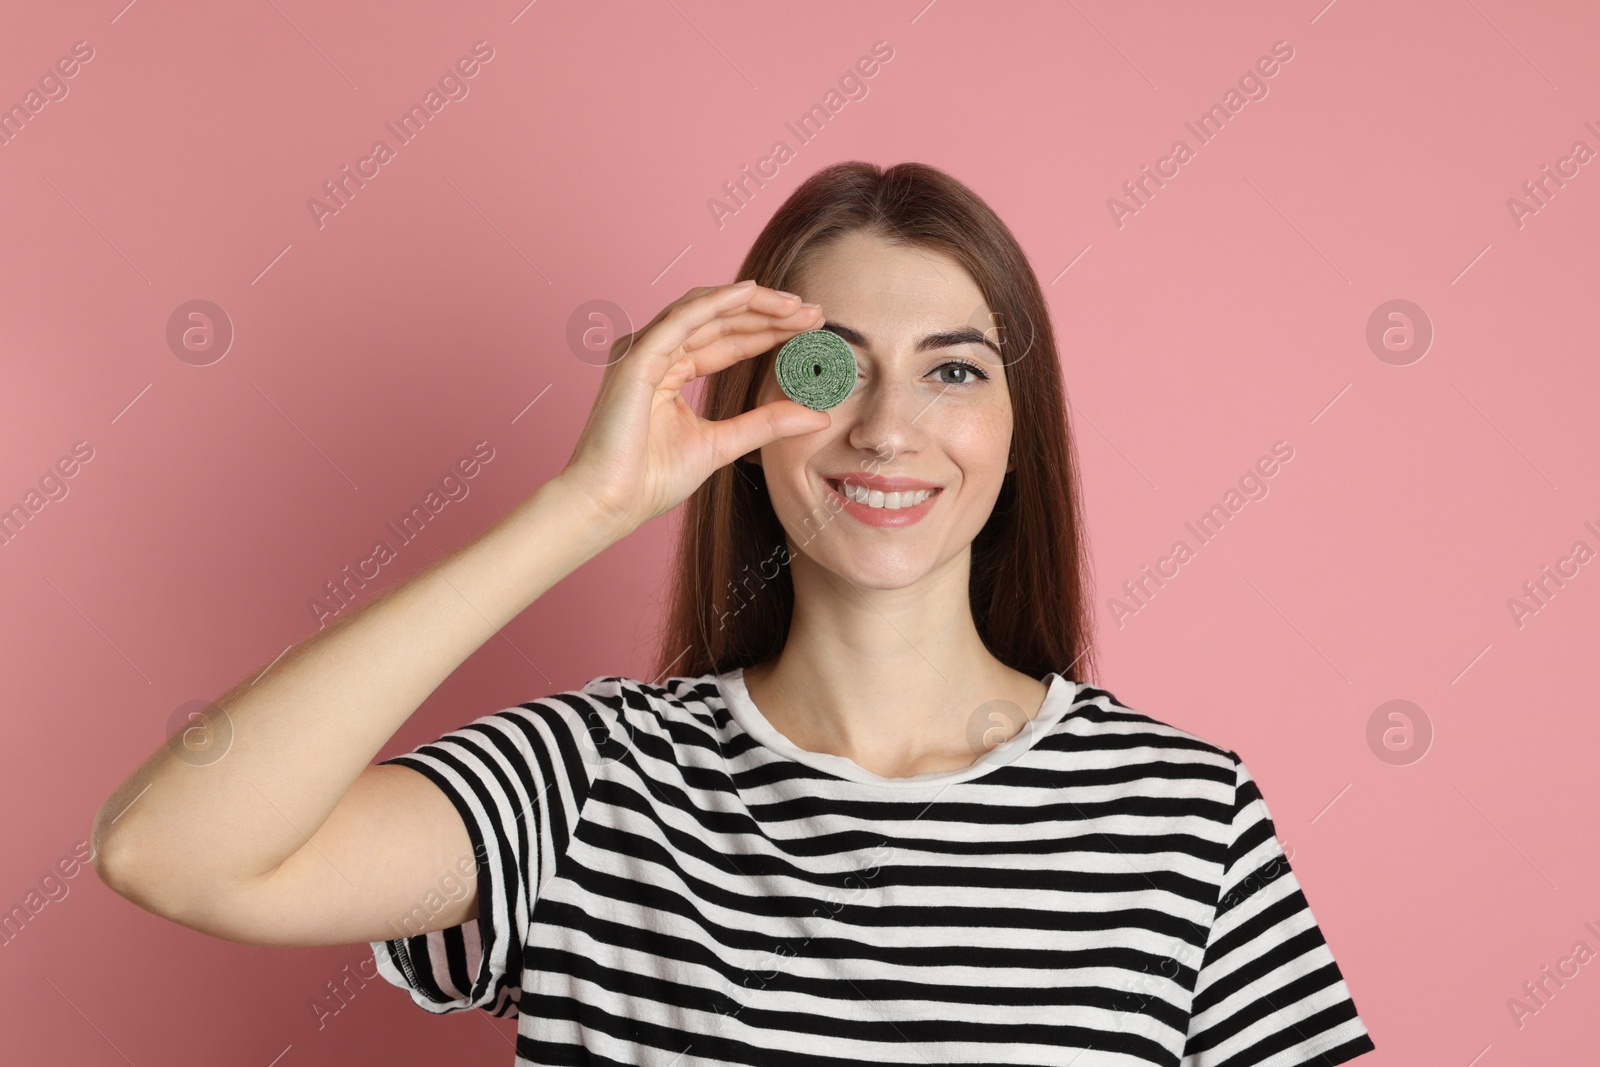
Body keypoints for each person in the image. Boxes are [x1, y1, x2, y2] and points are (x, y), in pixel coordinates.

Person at [94, 161, 1375, 1065]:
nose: (886, 428)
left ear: (1014, 425)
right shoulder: (587, 780)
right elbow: (171, 849)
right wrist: (585, 506)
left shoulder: (1183, 814)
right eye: (832, 368)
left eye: (953, 369)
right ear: (749, 411)